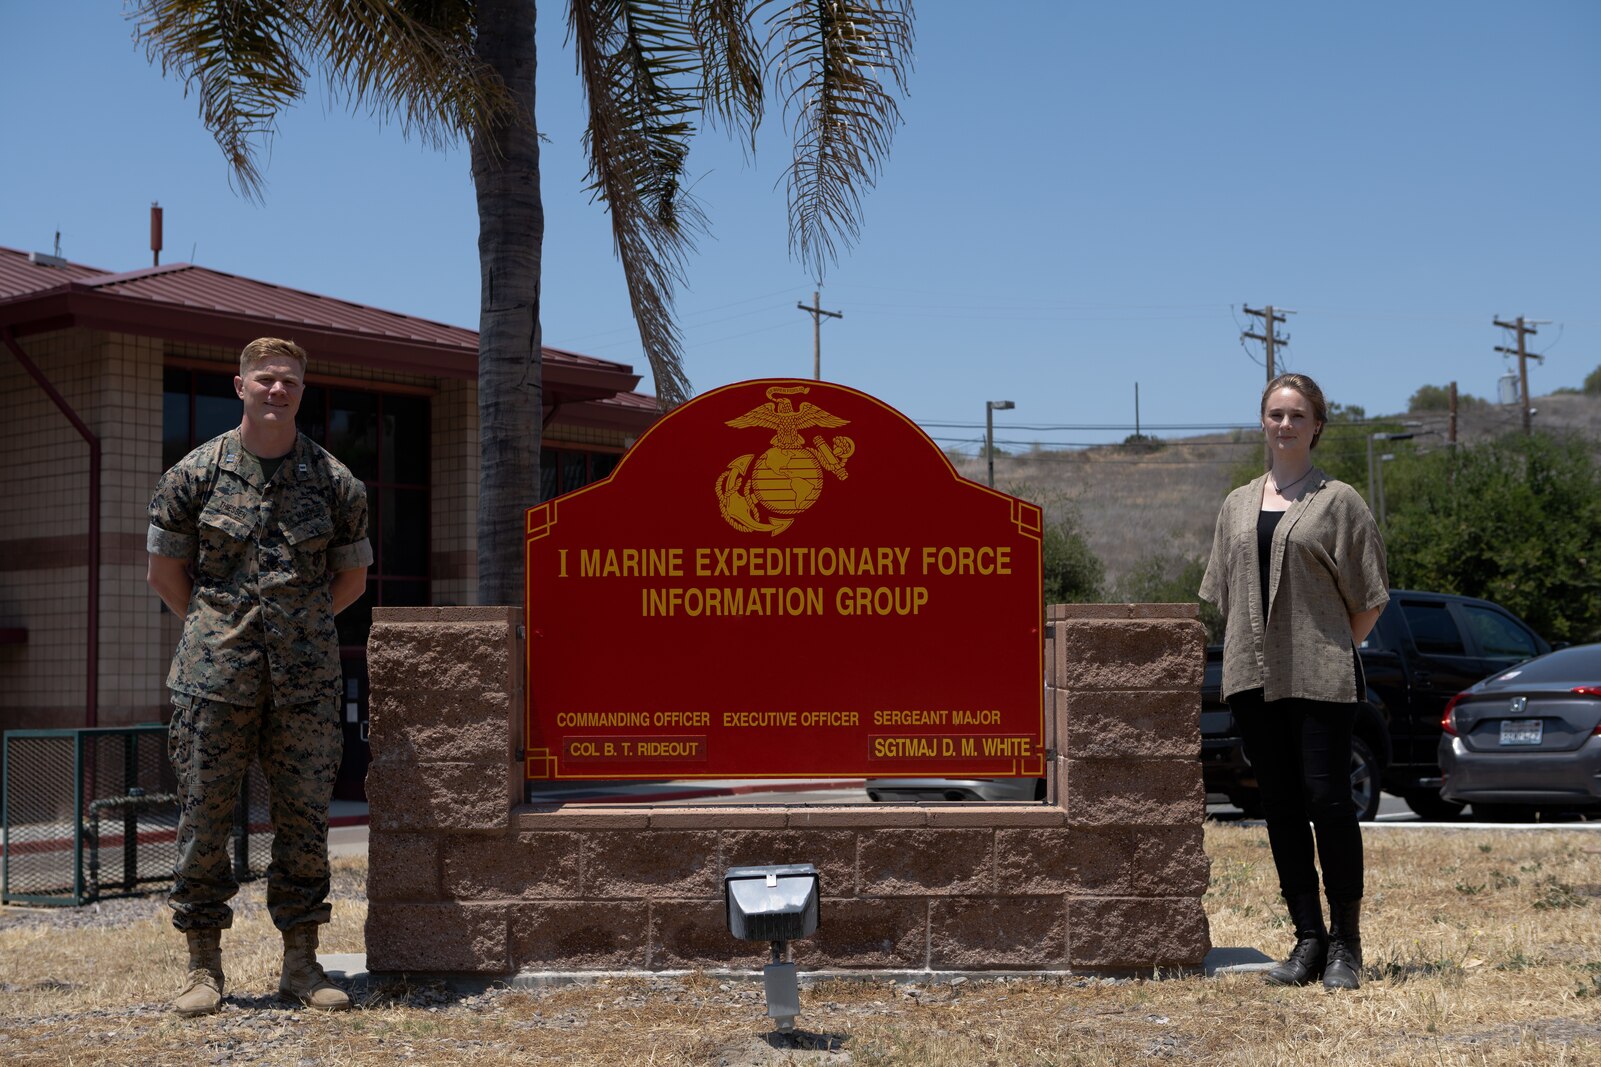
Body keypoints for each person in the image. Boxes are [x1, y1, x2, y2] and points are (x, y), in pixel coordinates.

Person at [147, 337, 371, 1016]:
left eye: (291, 382)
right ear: (239, 385)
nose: (279, 390)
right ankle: (202, 968)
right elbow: (165, 574)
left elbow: (352, 579)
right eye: (267, 379)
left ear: (302, 392)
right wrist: (220, 631)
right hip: (212, 682)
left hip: (305, 684)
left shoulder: (335, 482)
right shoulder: (193, 474)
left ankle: (302, 966)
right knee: (204, 821)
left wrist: (295, 626)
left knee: (303, 823)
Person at [1199, 372, 1388, 992]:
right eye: (1276, 414)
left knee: (1328, 801)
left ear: (1317, 426)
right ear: (1263, 421)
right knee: (1279, 807)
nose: (1286, 425)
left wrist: (1327, 646)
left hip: (1320, 676)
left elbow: (1369, 600)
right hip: (1254, 678)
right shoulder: (1235, 504)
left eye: (1298, 416)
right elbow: (1220, 594)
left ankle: (1346, 946)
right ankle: (1307, 941)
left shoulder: (1340, 502)